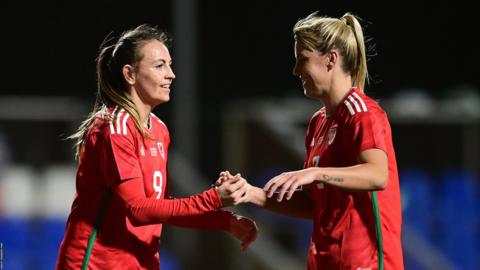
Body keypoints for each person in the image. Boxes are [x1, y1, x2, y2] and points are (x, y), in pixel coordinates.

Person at [55, 24, 258, 270]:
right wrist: (213, 198)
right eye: (160, 65)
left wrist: (223, 220)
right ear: (130, 74)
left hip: (139, 262)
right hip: (96, 264)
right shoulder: (113, 127)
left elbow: (158, 207)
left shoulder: (159, 129)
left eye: (169, 65)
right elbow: (138, 209)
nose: (171, 74)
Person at [220, 11, 403, 270]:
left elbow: (377, 175)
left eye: (302, 59)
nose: (295, 70)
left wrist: (316, 173)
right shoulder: (318, 123)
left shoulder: (362, 113)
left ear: (331, 59)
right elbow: (315, 206)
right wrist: (251, 193)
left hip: (366, 263)